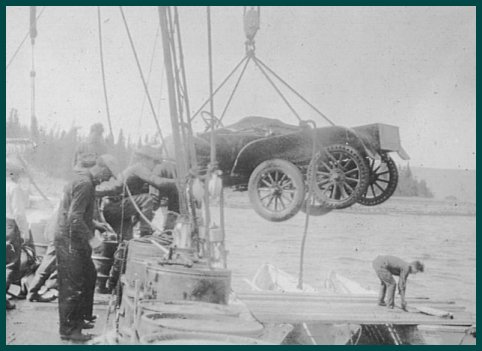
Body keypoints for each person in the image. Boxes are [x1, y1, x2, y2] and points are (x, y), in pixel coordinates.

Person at [54, 154, 119, 341]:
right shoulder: (85, 184)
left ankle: (79, 319)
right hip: (69, 240)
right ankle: (68, 330)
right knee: (72, 285)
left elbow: (77, 214)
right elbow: (74, 217)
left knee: (89, 275)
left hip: (72, 237)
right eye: (107, 175)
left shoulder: (83, 180)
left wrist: (95, 225)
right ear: (102, 169)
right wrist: (93, 240)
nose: (106, 179)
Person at [96, 146, 177, 239]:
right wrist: (178, 182)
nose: (155, 166)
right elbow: (157, 182)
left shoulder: (137, 170)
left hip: (115, 208)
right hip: (115, 206)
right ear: (145, 159)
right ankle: (145, 232)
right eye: (154, 162)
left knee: (125, 241)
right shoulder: (139, 168)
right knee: (147, 199)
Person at [6, 158, 30, 310]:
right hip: (8, 225)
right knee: (9, 263)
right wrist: (24, 232)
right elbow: (19, 213)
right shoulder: (14, 188)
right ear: (12, 173)